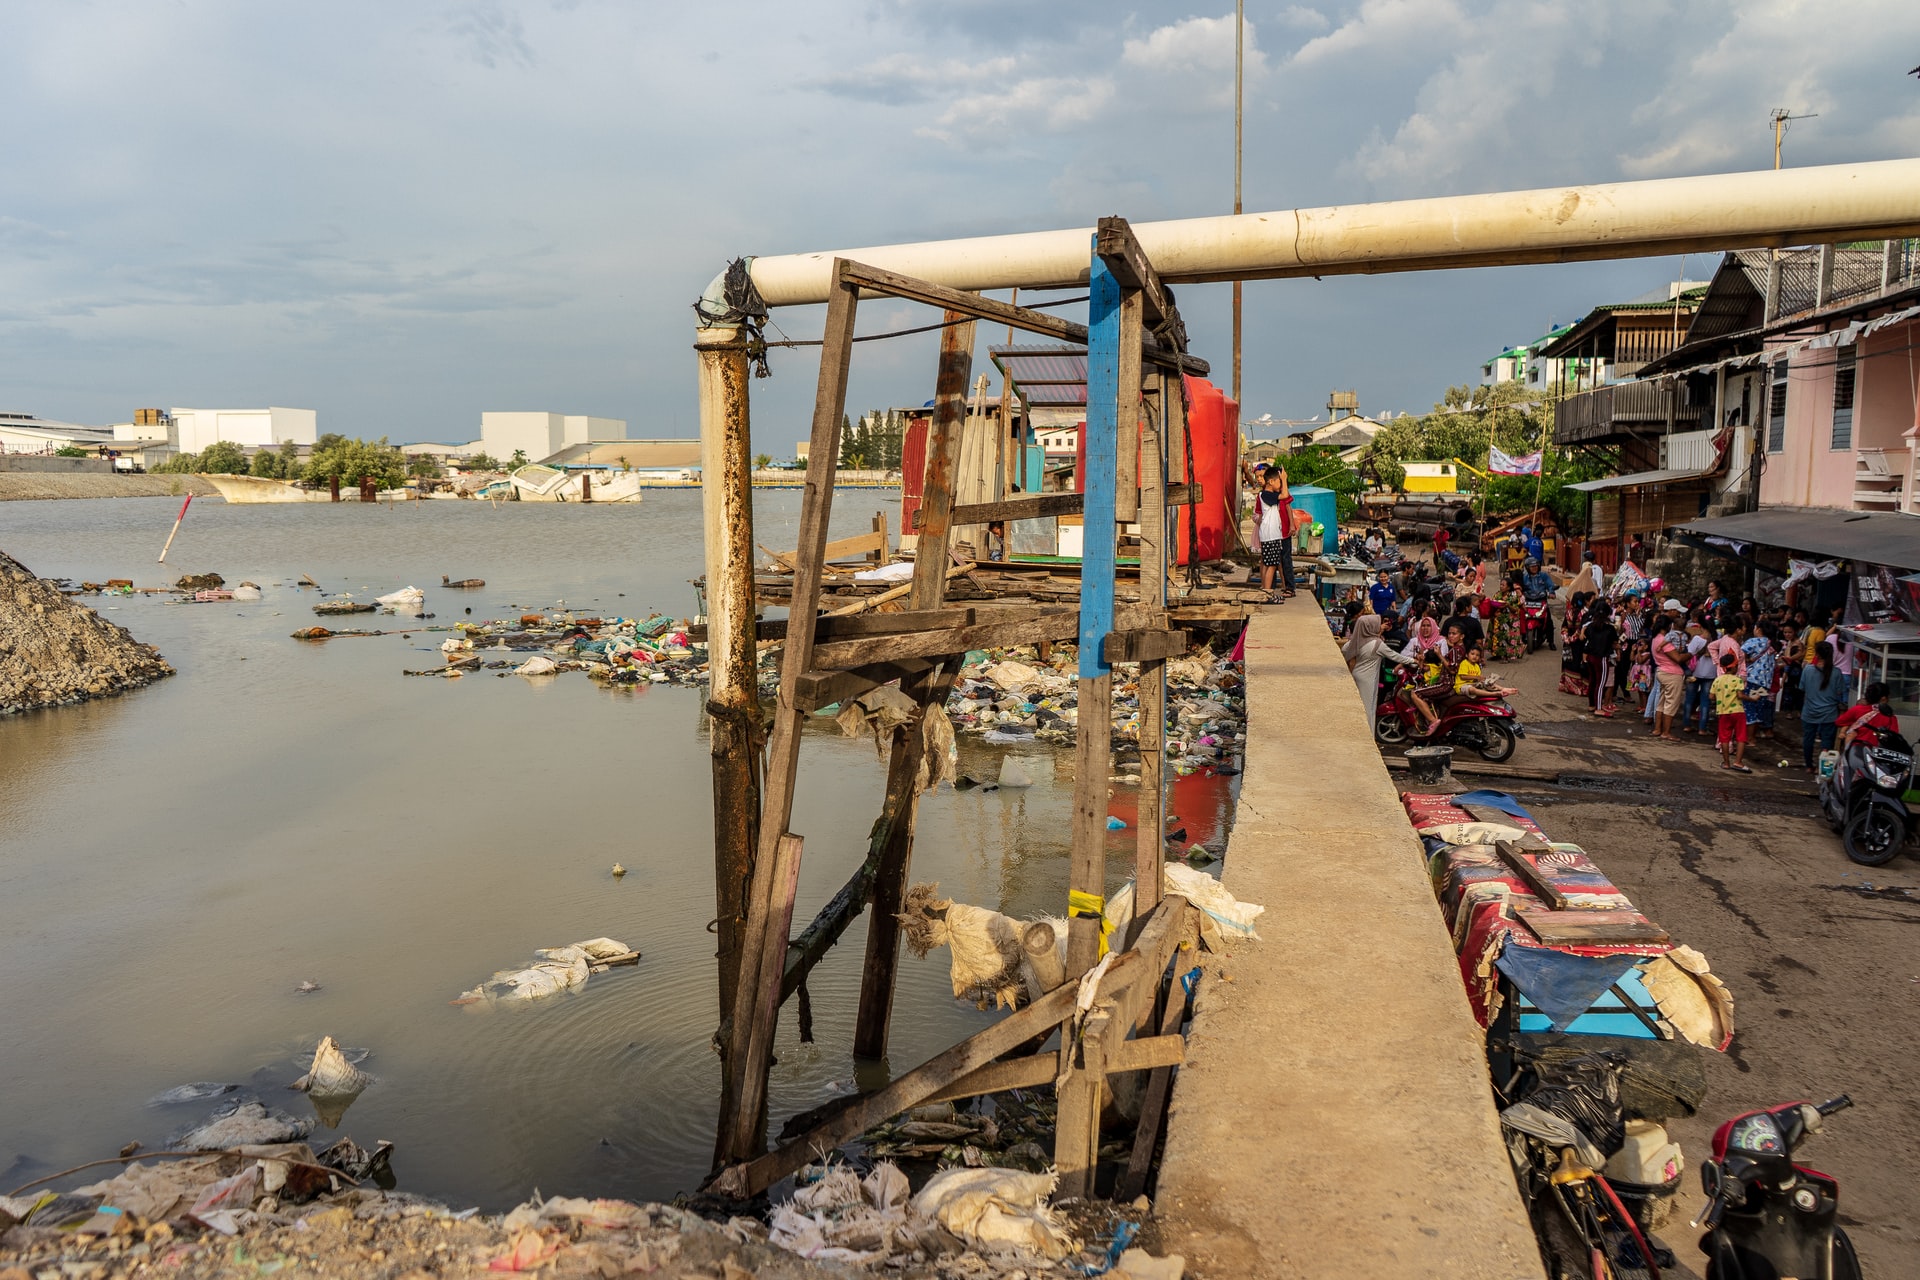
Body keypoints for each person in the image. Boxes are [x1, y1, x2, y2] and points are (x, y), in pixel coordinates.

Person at [1343, 612, 1418, 725]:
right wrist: (1413, 661)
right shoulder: (1377, 644)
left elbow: (1344, 649)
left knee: (1360, 705)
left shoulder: (1358, 641)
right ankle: (1368, 734)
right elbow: (1395, 656)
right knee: (1369, 708)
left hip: (1357, 674)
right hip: (1368, 678)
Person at [1799, 639, 1844, 772]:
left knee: (1808, 739)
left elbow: (1802, 688)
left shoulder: (1807, 670)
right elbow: (1840, 692)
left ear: (1817, 654)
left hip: (1809, 711)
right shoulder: (1836, 673)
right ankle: (1824, 768)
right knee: (1827, 741)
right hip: (1829, 713)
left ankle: (1809, 766)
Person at [1253, 467, 1296, 601]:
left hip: (1268, 534)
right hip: (1271, 534)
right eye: (1278, 481)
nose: (1281, 484)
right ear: (1271, 482)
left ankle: (1267, 592)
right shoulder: (1266, 495)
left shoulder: (1266, 495)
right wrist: (1285, 479)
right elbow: (1285, 495)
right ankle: (1268, 593)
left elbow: (1286, 499)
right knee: (1271, 565)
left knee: (1267, 564)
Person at [1711, 652, 1754, 773]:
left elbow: (1711, 696)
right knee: (1741, 737)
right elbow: (1740, 695)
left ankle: (1726, 763)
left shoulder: (1717, 680)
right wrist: (1752, 698)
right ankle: (1738, 762)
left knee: (1724, 738)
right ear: (1734, 667)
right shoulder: (1737, 680)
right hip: (1738, 712)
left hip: (1723, 712)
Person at [1651, 615, 1688, 741]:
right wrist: (1691, 653)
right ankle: (1666, 732)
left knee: (1662, 702)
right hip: (1671, 673)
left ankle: (1657, 729)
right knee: (1671, 704)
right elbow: (1677, 658)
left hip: (1662, 671)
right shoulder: (1664, 639)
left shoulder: (1656, 638)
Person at [1835, 681, 1900, 750]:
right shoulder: (1890, 717)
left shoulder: (1857, 709)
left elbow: (1839, 722)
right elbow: (1894, 737)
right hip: (1876, 752)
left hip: (1855, 750)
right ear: (1883, 698)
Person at [1582, 600, 1620, 717]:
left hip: (1590, 657)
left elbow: (1586, 637)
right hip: (1602, 658)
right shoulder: (1610, 629)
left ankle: (1592, 704)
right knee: (1601, 683)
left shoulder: (1590, 627)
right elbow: (1614, 643)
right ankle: (1598, 707)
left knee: (1593, 681)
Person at [1743, 625, 1780, 740]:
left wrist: (1748, 660)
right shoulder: (1772, 644)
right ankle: (1753, 736)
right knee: (1758, 707)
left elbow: (1740, 654)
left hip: (1752, 679)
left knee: (1748, 707)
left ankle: (1748, 738)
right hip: (1765, 682)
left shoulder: (1754, 641)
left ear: (1759, 629)